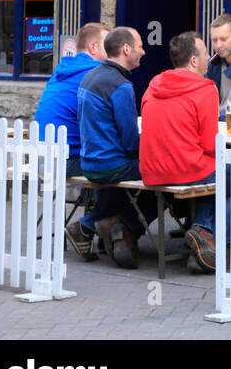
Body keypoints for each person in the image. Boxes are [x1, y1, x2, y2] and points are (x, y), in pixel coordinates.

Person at [77, 27, 157, 269]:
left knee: (130, 178)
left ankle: (88, 226)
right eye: (140, 46)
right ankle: (121, 226)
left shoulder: (90, 76)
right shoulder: (121, 86)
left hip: (88, 162)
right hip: (111, 166)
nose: (143, 51)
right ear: (126, 49)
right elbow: (131, 143)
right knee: (162, 178)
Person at [139, 31, 219, 273]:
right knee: (229, 170)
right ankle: (203, 230)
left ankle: (127, 226)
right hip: (186, 170)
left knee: (199, 166)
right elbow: (210, 145)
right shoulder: (206, 89)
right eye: (205, 53)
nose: (209, 57)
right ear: (194, 61)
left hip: (151, 171)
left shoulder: (153, 85)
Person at [34, 22, 109, 261]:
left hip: (44, 156)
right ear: (94, 46)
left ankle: (99, 228)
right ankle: (94, 226)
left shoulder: (64, 68)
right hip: (66, 159)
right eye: (109, 44)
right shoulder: (95, 73)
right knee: (117, 167)